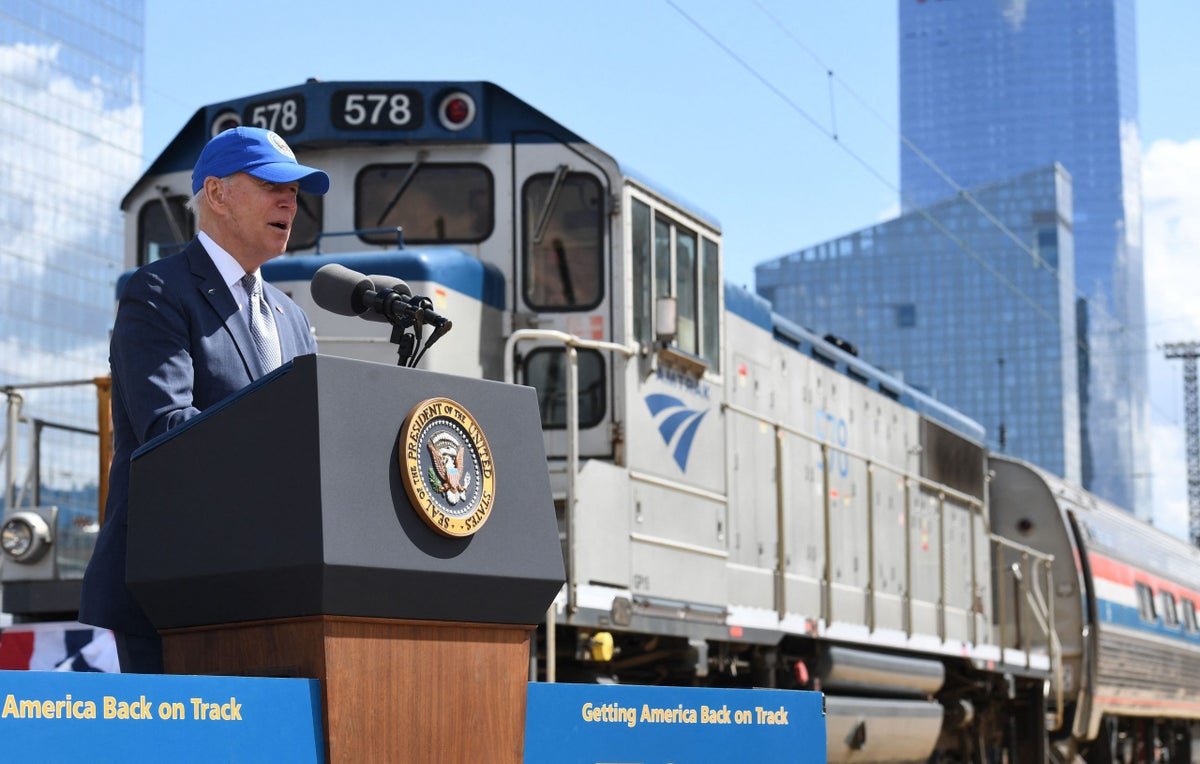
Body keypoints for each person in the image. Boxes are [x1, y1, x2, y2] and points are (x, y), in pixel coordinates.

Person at [79, 127, 330, 673]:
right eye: (272, 185)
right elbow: (170, 431)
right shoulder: (157, 292)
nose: (290, 202)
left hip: (278, 589)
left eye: (295, 191)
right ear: (217, 194)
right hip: (175, 588)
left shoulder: (292, 318)